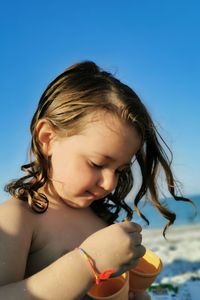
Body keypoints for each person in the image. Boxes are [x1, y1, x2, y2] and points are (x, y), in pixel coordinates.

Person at [0, 61, 191, 300]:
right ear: (47, 139)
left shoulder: (98, 219)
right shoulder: (18, 218)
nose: (110, 184)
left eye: (120, 171)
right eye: (97, 164)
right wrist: (88, 263)